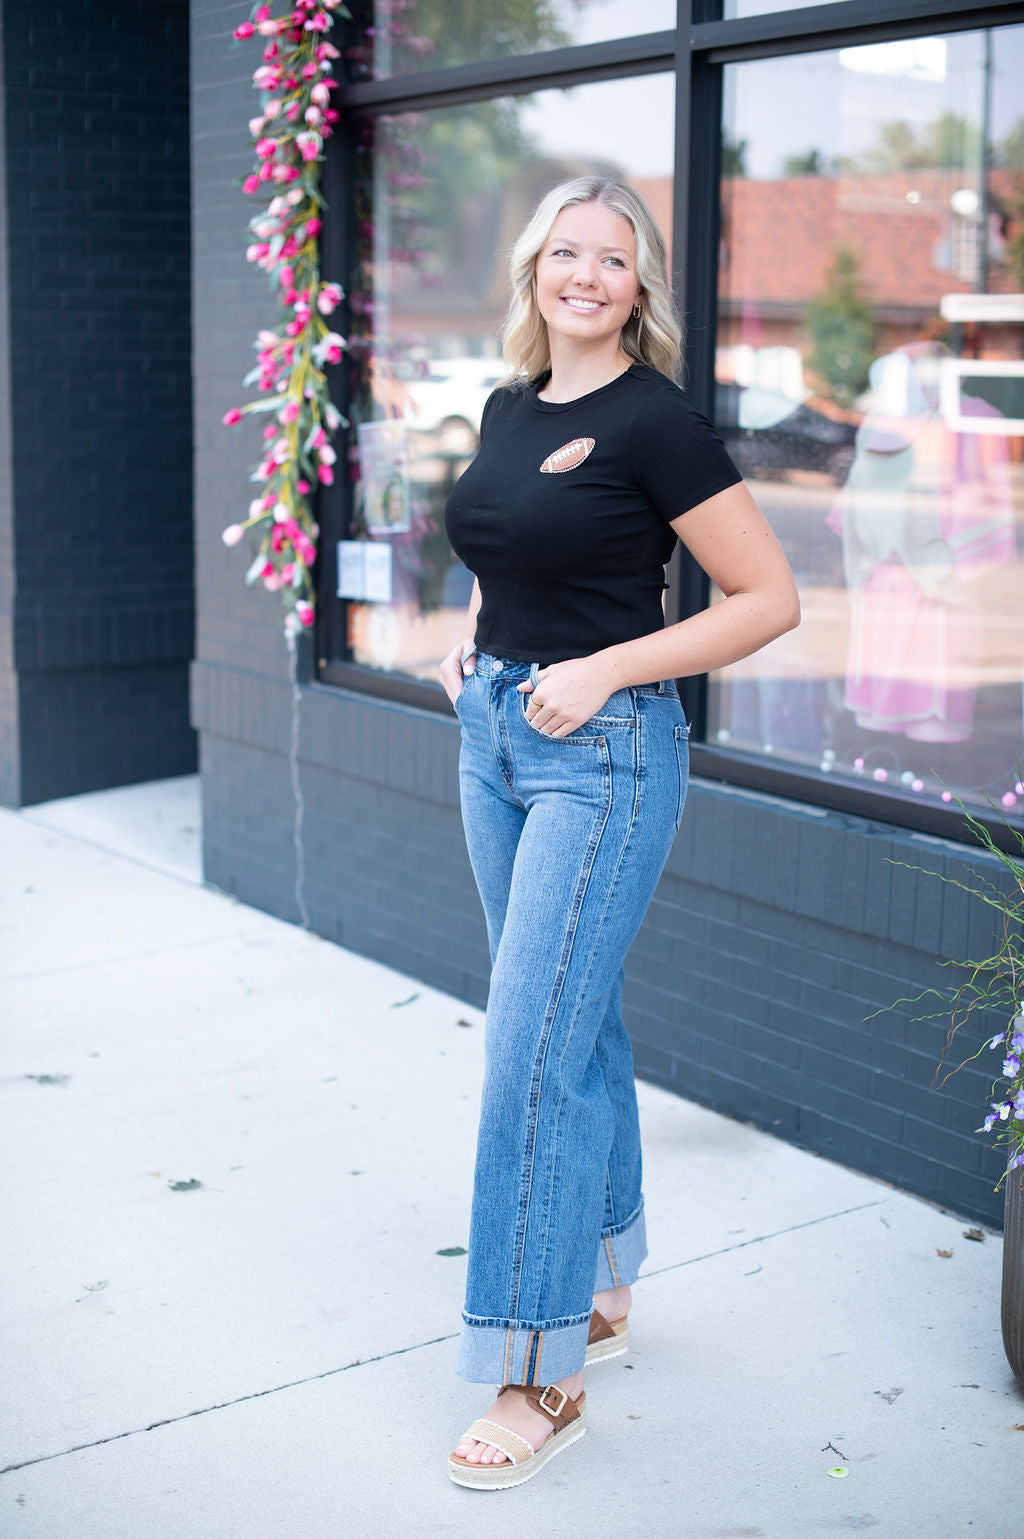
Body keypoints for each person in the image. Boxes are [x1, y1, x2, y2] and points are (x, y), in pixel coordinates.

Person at [439, 175, 800, 1491]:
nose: (584, 275)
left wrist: (605, 667)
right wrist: (477, 631)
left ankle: (541, 1375)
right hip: (495, 735)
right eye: (564, 252)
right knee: (568, 1023)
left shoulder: (659, 424)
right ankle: (599, 1278)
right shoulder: (509, 406)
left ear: (638, 283)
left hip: (605, 754)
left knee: (529, 1050)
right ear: (536, 269)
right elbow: (501, 544)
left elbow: (768, 600)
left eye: (612, 257)